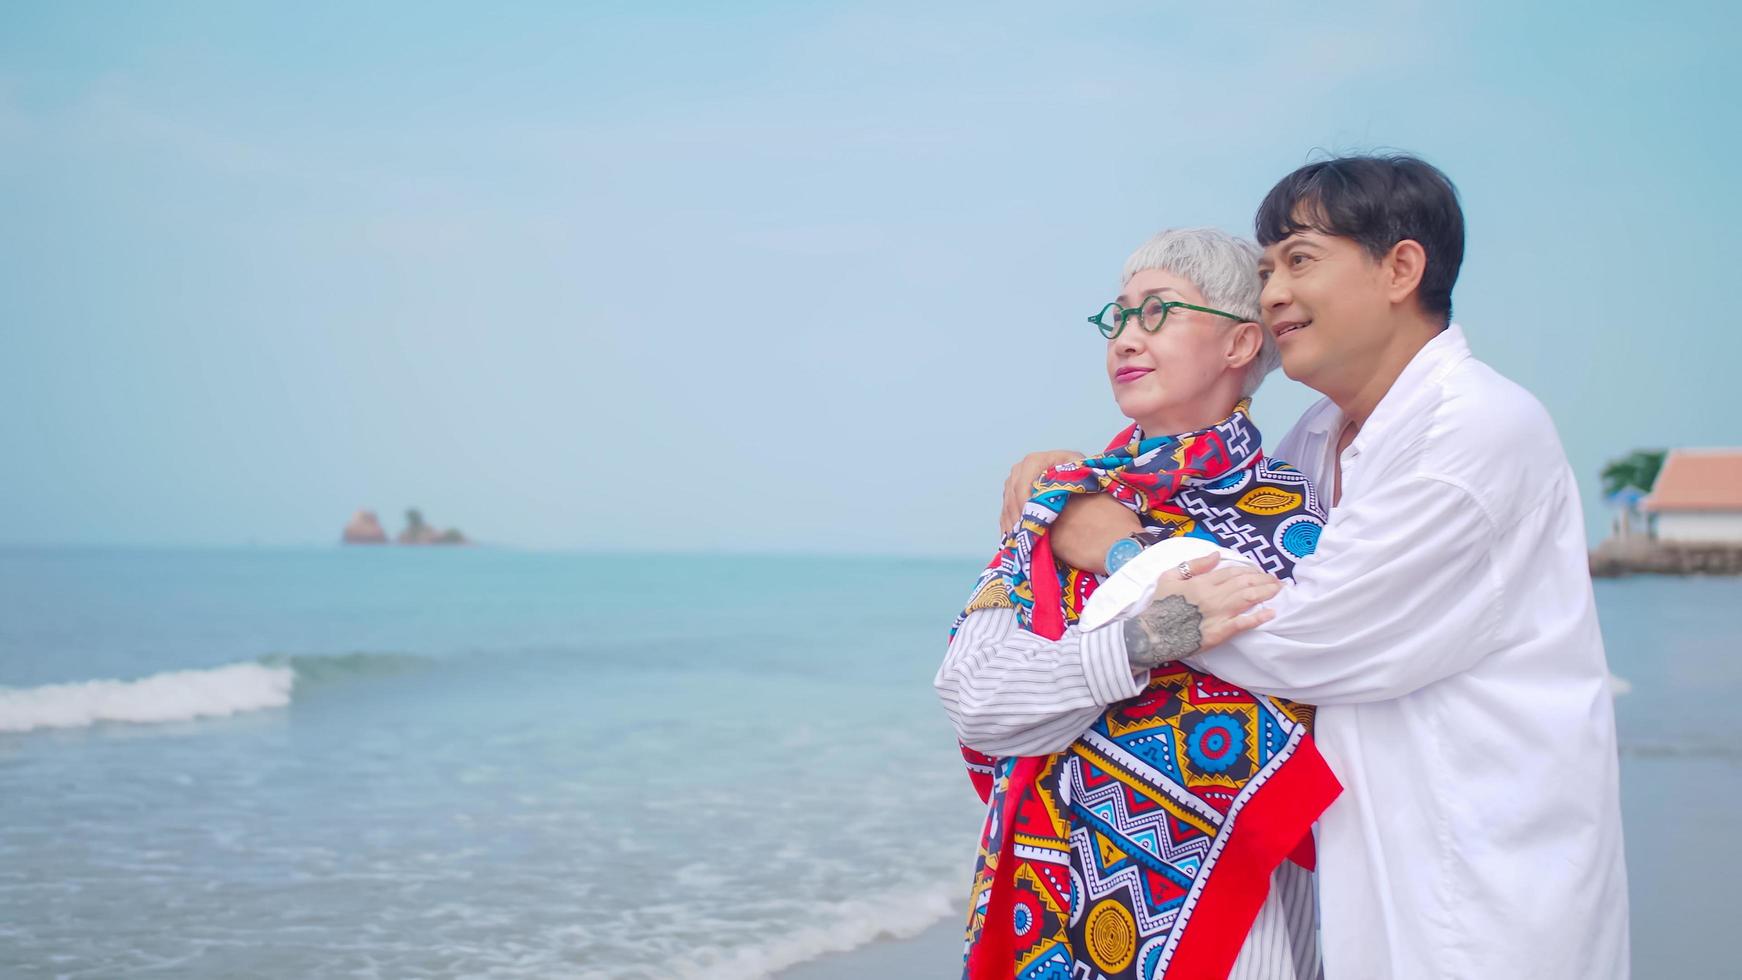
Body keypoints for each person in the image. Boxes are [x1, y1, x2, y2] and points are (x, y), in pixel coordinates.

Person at [1010, 155, 1630, 978]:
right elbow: (1210, 506)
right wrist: (1076, 474)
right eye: (1266, 270)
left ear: (1401, 268)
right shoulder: (1316, 437)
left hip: (1483, 880)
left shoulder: (1474, 434)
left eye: (1300, 260)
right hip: (1372, 859)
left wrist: (1115, 549)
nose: (1271, 295)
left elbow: (1298, 637)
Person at [936, 227, 1342, 980]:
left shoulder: (1293, 518)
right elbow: (975, 696)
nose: (1126, 336)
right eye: (1117, 316)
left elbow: (1313, 701)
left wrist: (1125, 581)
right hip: (1053, 903)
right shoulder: (1062, 501)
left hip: (1240, 933)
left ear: (1239, 344)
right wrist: (1137, 644)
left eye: (1157, 313)